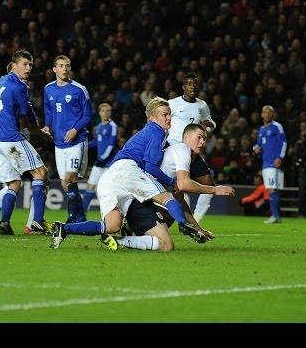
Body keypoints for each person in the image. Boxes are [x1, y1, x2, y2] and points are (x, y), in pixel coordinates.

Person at [50, 97, 208, 250]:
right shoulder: (157, 131)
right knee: (166, 198)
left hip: (110, 177)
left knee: (112, 226)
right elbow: (150, 168)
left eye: (169, 114)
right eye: (164, 115)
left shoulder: (150, 133)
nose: (168, 118)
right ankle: (183, 224)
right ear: (152, 118)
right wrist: (171, 182)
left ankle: (64, 229)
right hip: (128, 169)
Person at [111, 123, 235, 251]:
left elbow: (180, 200)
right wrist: (214, 189)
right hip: (138, 197)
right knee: (166, 237)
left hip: (138, 196)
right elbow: (184, 184)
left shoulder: (180, 160)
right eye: (199, 137)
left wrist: (198, 229)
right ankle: (126, 235)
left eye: (204, 139)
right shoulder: (183, 149)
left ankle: (129, 230)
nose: (202, 142)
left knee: (173, 211)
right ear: (186, 137)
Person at [0, 50, 51, 235]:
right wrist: (39, 132)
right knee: (40, 172)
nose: (28, 68)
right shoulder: (19, 86)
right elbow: (29, 115)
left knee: (13, 184)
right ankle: (37, 223)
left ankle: (4, 223)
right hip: (9, 138)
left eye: (30, 65)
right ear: (14, 65)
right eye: (24, 64)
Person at [42, 55, 93, 223]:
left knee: (69, 179)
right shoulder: (48, 89)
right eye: (61, 65)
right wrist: (48, 125)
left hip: (77, 141)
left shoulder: (79, 89)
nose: (65, 68)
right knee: (66, 184)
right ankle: (81, 218)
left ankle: (71, 219)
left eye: (67, 66)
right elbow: (49, 111)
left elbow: (87, 114)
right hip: (59, 142)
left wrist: (75, 129)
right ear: (54, 69)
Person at [167, 72, 217, 223]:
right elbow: (162, 120)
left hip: (191, 152)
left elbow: (210, 123)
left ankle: (196, 221)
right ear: (183, 87)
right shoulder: (173, 103)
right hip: (173, 149)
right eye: (189, 83)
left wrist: (210, 126)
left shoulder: (202, 105)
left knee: (208, 183)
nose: (192, 86)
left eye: (195, 83)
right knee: (168, 186)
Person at [253, 105, 287, 224]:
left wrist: (280, 157)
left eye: (269, 112)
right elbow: (259, 145)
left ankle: (275, 216)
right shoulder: (261, 129)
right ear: (262, 115)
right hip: (265, 163)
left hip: (274, 162)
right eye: (265, 112)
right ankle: (276, 216)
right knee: (271, 189)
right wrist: (256, 148)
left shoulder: (277, 126)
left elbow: (284, 143)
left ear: (273, 114)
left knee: (273, 189)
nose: (267, 114)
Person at [83, 103, 118, 212]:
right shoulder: (98, 127)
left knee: (108, 190)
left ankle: (113, 216)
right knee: (90, 186)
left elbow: (111, 145)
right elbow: (96, 142)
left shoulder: (113, 126)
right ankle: (81, 215)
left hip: (108, 164)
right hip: (99, 164)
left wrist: (102, 158)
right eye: (103, 111)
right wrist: (84, 146)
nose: (105, 113)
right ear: (99, 113)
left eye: (108, 111)